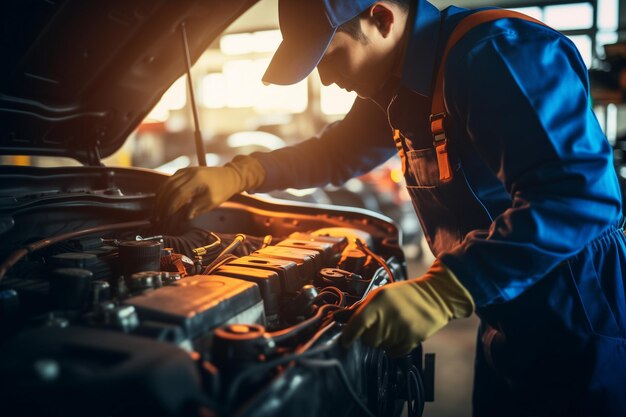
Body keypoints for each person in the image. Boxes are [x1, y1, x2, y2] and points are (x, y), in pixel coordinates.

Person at [156, 0, 626, 415]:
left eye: (330, 54)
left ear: (380, 17)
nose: (325, 76)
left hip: (579, 314)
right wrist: (242, 173)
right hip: (503, 311)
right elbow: (337, 151)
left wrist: (444, 290)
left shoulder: (495, 53)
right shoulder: (403, 88)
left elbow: (578, 197)